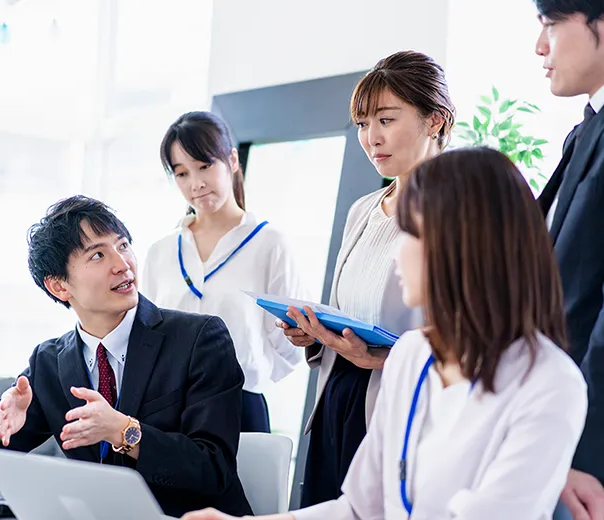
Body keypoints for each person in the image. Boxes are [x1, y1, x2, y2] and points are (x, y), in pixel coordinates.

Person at [180, 147, 588, 520]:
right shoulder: (413, 354)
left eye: (411, 235)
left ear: (464, 246)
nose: (396, 255)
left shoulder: (550, 384)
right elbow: (360, 509)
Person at [0, 195, 252, 518]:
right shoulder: (50, 362)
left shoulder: (199, 339)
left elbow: (213, 469)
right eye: (97, 255)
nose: (122, 264)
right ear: (59, 286)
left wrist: (123, 430)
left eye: (123, 245)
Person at [276, 50, 455, 506]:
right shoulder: (363, 211)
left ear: (435, 120)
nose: (371, 137)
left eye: (386, 120)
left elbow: (471, 339)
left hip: (399, 405)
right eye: (362, 123)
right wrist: (315, 333)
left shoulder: (458, 210)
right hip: (338, 398)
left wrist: (381, 359)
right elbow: (349, 308)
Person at [141, 111, 309, 433]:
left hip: (240, 408)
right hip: (169, 414)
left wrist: (247, 372)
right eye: (182, 173)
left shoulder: (269, 243)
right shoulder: (161, 252)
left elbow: (291, 344)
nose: (196, 184)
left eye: (204, 166)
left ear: (232, 160)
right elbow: (146, 338)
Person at [534, 2, 604, 518]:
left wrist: (583, 451)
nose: (540, 47)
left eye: (551, 26)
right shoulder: (585, 132)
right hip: (552, 426)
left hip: (585, 450)